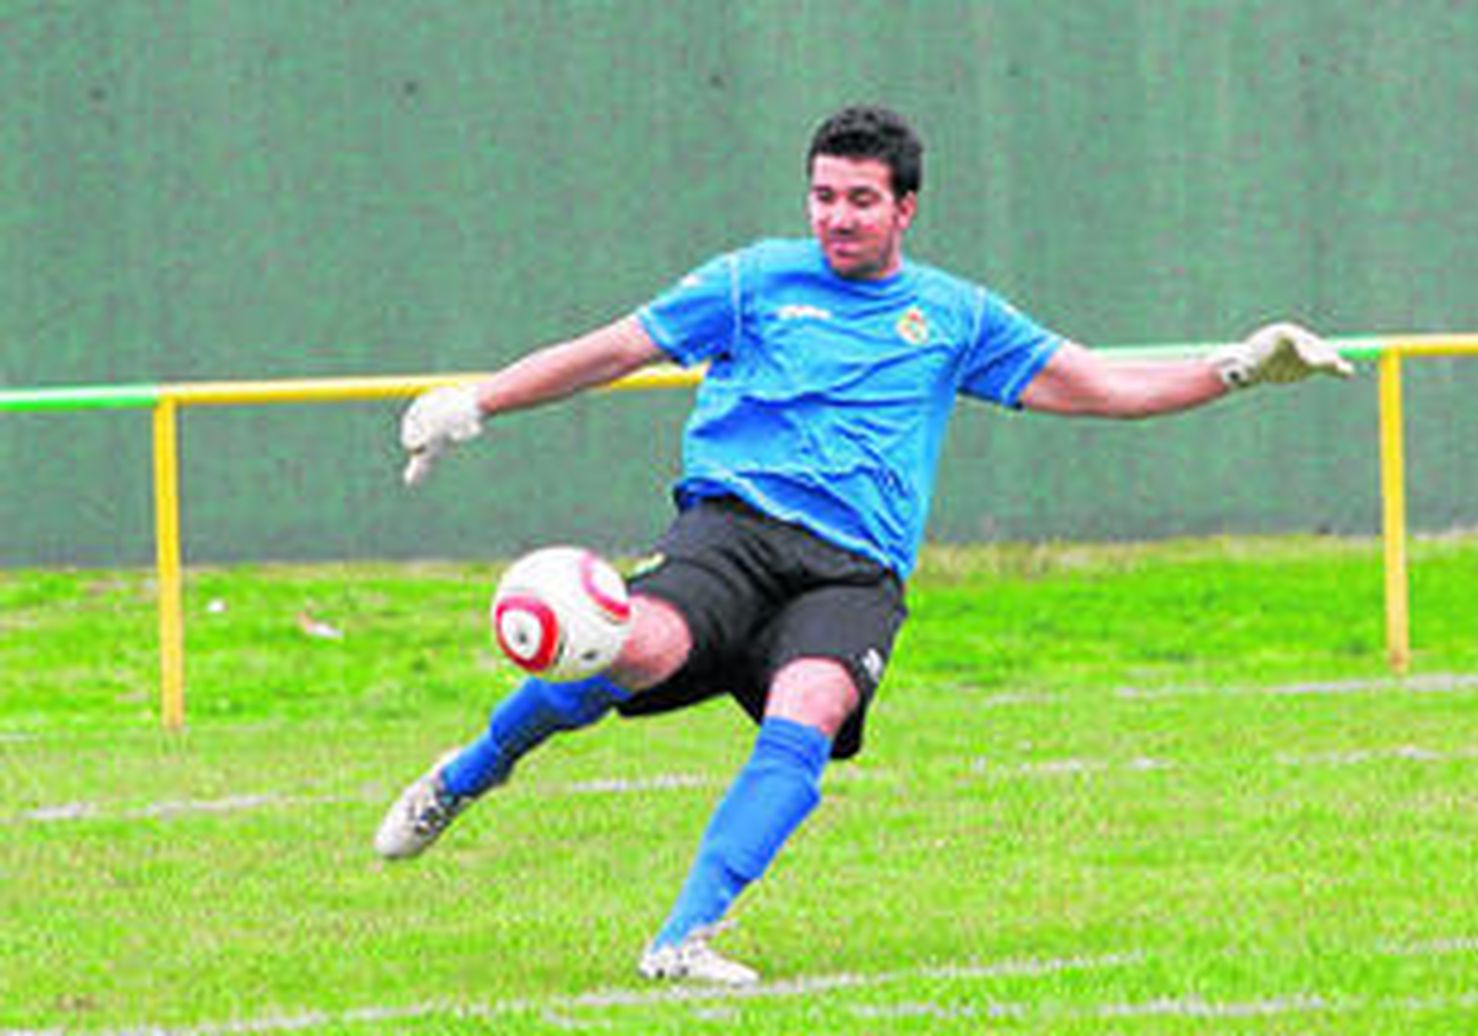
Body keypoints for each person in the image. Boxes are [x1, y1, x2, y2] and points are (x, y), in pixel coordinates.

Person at [373, 104, 1352, 986]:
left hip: (853, 570)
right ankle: (470, 771)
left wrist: (1237, 367)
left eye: (859, 200)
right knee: (636, 649)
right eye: (822, 196)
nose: (835, 217)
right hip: (731, 532)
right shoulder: (752, 282)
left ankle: (681, 939)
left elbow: (1101, 385)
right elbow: (614, 347)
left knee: (809, 708)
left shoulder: (959, 317)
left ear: (904, 210)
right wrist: (476, 400)